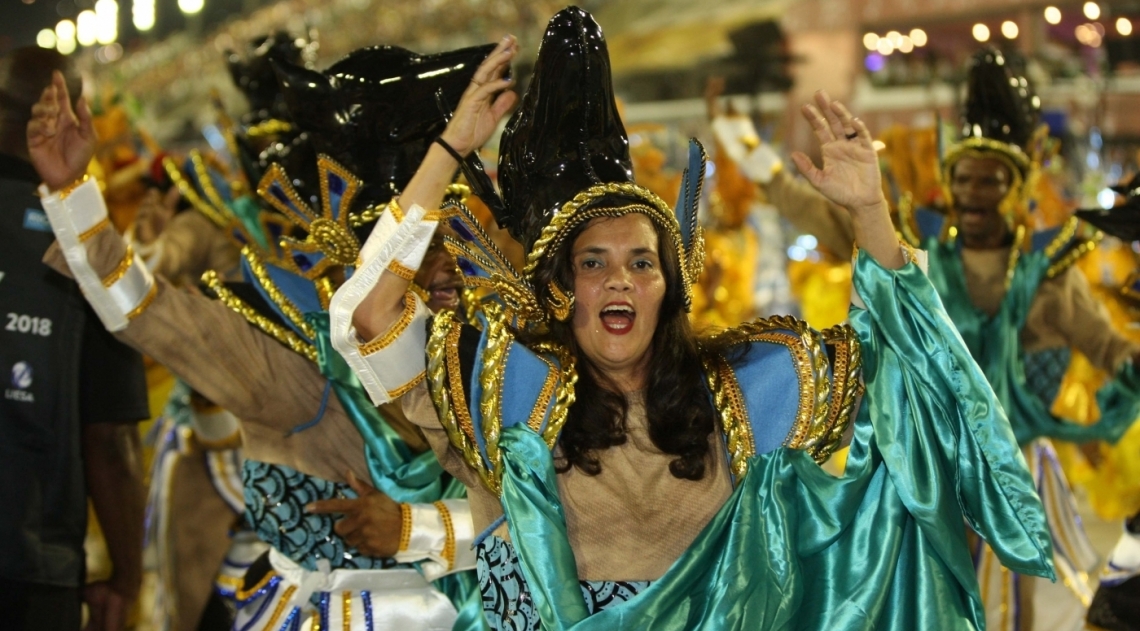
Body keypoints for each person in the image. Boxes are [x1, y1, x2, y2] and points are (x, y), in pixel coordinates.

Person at [332, 9, 1054, 629]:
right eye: (593, 263)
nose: (620, 276)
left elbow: (897, 356)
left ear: (669, 290)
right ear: (562, 291)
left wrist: (870, 211)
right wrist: (450, 151)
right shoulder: (505, 394)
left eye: (642, 262)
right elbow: (374, 315)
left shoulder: (740, 394)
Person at [26, 45, 497, 630]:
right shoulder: (288, 361)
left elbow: (555, 516)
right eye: (425, 251)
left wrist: (416, 527)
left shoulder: (496, 351)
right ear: (366, 263)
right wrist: (75, 193)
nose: (452, 267)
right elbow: (146, 308)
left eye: (458, 238)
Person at [715, 47, 1140, 630]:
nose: (975, 192)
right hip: (919, 461)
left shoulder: (1047, 275)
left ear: (1014, 188)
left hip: (1000, 470)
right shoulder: (913, 253)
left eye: (991, 181)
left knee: (1001, 609)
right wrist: (744, 146)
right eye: (964, 178)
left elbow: (1116, 353)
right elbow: (814, 209)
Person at [1, 47, 148, 631]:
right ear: (76, 117)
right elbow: (109, 441)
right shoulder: (86, 247)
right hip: (29, 566)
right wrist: (127, 577)